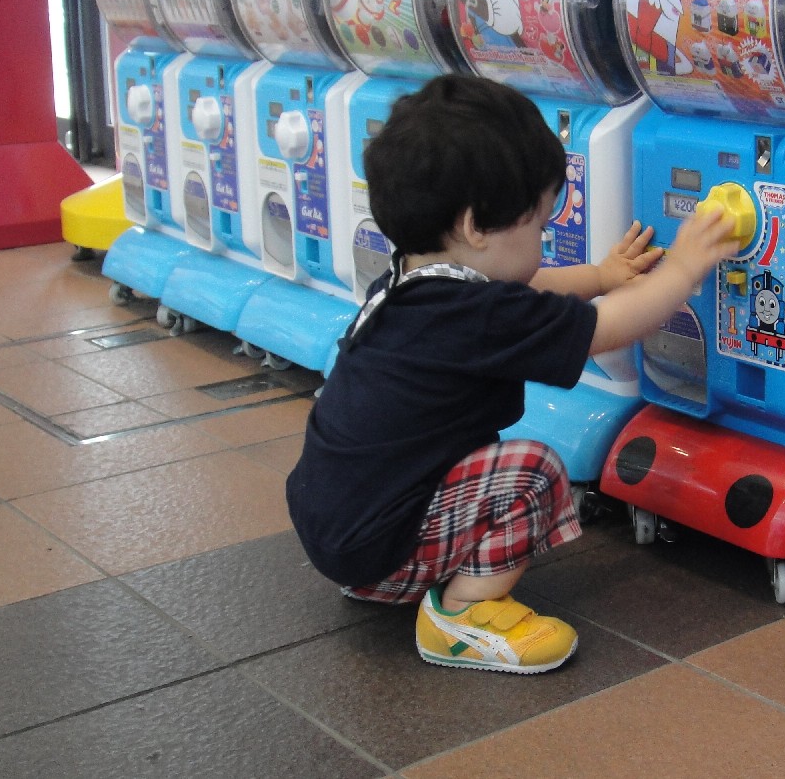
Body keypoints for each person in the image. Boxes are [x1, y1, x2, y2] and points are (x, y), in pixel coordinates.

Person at [286, 74, 738, 674]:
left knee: (476, 458)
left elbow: (530, 288)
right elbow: (603, 329)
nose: (544, 242)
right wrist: (682, 268)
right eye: (539, 227)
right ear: (476, 227)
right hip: (378, 542)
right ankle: (461, 618)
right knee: (533, 473)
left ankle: (394, 576)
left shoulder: (410, 287)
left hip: (339, 527)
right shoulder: (473, 318)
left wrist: (602, 275)